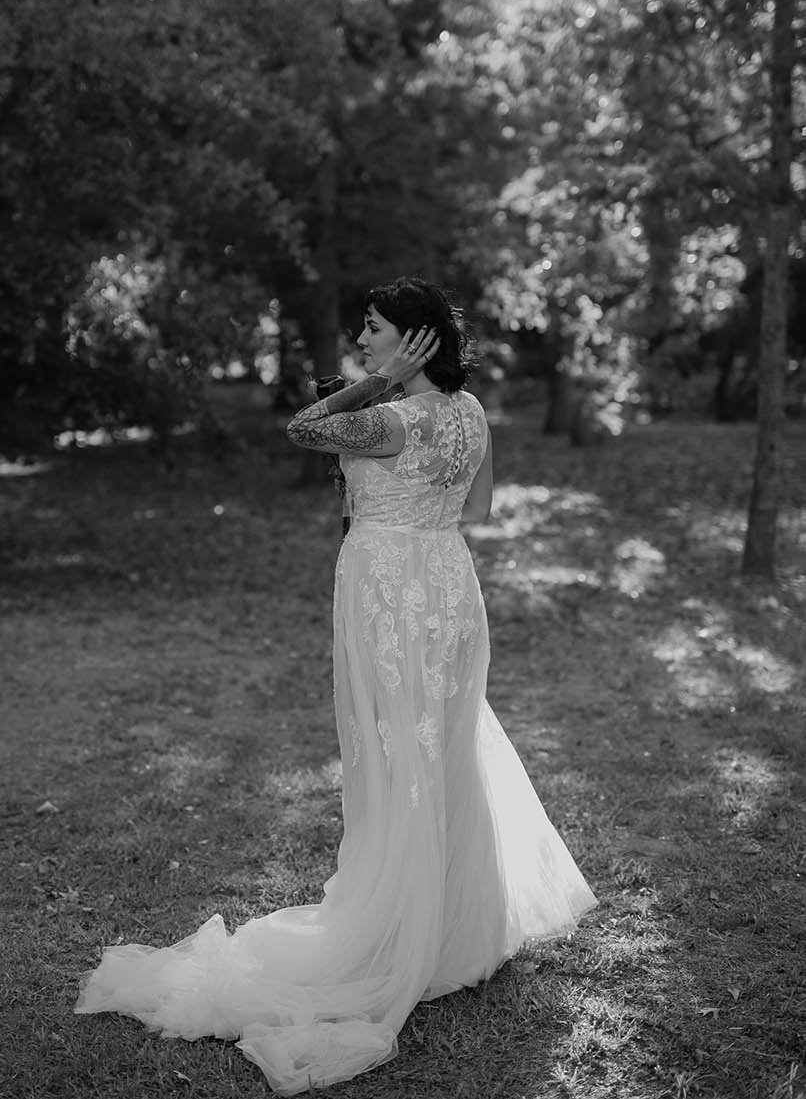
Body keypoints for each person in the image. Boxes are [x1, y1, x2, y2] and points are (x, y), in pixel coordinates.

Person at [75, 277, 597, 1094]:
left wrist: (380, 386)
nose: (361, 340)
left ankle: (400, 926)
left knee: (394, 748)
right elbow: (481, 508)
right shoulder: (471, 412)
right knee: (443, 741)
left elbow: (301, 427)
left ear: (414, 341)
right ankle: (456, 923)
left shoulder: (390, 417)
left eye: (375, 329)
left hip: (387, 588)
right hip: (449, 583)